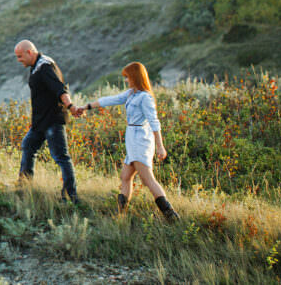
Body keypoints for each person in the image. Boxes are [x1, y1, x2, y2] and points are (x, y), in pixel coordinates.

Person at [80, 61, 179, 221]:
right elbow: (110, 99)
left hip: (141, 141)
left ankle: (171, 215)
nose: (126, 80)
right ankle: (120, 214)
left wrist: (160, 146)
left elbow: (154, 122)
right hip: (133, 140)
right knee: (125, 176)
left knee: (148, 180)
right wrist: (87, 106)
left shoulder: (145, 97)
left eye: (127, 77)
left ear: (135, 77)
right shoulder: (131, 94)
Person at [14, 39, 79, 203]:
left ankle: (70, 196)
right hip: (40, 122)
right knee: (28, 145)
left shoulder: (45, 66)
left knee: (61, 157)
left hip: (52, 120)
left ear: (29, 52)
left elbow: (60, 89)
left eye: (20, 56)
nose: (18, 60)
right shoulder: (36, 66)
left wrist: (70, 106)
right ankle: (24, 187)